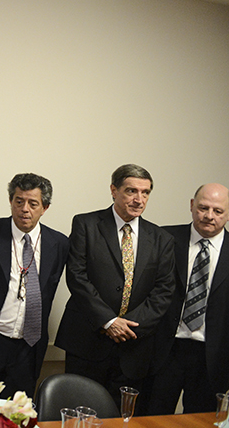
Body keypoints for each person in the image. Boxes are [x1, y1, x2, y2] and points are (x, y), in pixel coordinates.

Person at [54, 164, 175, 407]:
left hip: (134, 347)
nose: (139, 199)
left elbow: (163, 291)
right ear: (113, 190)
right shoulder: (86, 224)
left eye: (145, 192)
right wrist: (109, 321)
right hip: (87, 342)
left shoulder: (161, 239)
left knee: (122, 417)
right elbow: (77, 276)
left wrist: (126, 326)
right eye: (131, 191)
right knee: (80, 413)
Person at [0, 173, 69, 398]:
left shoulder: (58, 244)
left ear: (44, 208)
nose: (24, 209)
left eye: (33, 203)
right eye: (19, 201)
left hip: (28, 349)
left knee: (18, 413)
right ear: (10, 201)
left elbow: (49, 290)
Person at [145, 183, 229, 414]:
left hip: (212, 357)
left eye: (218, 211)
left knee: (200, 421)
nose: (209, 216)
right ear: (192, 205)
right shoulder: (164, 237)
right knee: (152, 417)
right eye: (203, 208)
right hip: (164, 350)